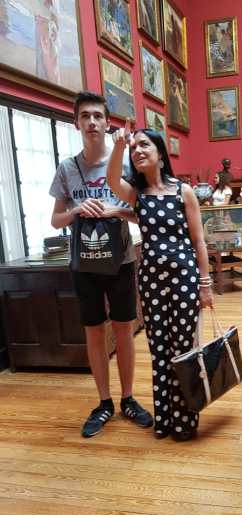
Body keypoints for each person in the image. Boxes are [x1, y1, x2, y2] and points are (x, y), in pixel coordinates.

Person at [49, 91, 153, 438]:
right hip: (83, 263)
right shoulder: (67, 168)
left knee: (124, 328)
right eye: (85, 116)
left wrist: (115, 210)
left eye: (97, 116)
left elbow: (143, 213)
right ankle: (104, 401)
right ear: (76, 123)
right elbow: (55, 220)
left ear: (108, 122)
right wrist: (76, 210)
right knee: (94, 330)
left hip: (121, 259)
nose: (92, 122)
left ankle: (128, 398)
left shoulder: (125, 161)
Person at [107, 122, 214, 440]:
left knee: (184, 346)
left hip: (184, 278)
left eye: (144, 145)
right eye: (134, 147)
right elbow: (112, 180)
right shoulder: (137, 194)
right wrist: (118, 146)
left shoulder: (183, 191)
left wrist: (205, 284)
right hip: (151, 279)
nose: (137, 150)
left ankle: (185, 421)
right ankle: (165, 419)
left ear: (161, 154)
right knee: (159, 348)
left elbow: (199, 241)